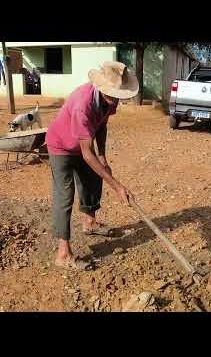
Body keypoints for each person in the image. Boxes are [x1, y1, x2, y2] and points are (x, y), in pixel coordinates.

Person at [46, 61, 139, 271]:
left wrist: (103, 155)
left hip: (82, 144)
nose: (114, 99)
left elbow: (102, 125)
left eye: (118, 95)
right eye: (112, 94)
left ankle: (90, 222)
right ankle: (63, 253)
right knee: (65, 195)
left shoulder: (111, 99)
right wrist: (117, 186)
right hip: (61, 146)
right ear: (100, 86)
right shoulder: (82, 104)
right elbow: (87, 153)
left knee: (94, 178)